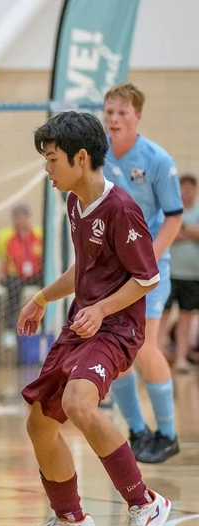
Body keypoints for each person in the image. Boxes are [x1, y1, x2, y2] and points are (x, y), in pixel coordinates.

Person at [17, 111, 170, 526]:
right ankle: (70, 519)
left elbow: (147, 278)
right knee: (40, 423)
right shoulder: (74, 203)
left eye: (52, 159)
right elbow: (83, 268)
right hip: (84, 323)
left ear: (80, 158)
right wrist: (42, 298)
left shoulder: (121, 208)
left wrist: (101, 309)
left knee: (78, 403)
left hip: (116, 326)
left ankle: (144, 503)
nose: (47, 169)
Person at [101, 83, 184, 464]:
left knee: (144, 346)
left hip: (150, 267)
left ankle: (167, 433)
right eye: (109, 112)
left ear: (137, 116)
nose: (114, 119)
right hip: (110, 269)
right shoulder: (96, 154)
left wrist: (146, 259)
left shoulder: (156, 159)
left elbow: (173, 218)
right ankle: (137, 430)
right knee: (118, 353)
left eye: (122, 113)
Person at [0, 203, 43, 347]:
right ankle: (9, 330)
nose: (20, 220)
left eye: (23, 216)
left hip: (33, 274)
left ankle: (44, 323)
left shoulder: (39, 235)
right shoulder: (5, 236)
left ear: (28, 217)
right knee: (14, 290)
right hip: (14, 277)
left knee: (49, 284)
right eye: (17, 217)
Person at [160, 173, 199, 372]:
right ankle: (158, 356)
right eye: (184, 188)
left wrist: (180, 230)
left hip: (192, 276)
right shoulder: (171, 213)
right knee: (162, 315)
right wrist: (188, 232)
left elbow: (176, 233)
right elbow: (165, 235)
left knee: (186, 317)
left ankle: (182, 359)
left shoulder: (196, 212)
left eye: (191, 188)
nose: (187, 191)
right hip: (169, 274)